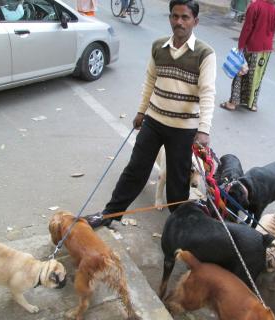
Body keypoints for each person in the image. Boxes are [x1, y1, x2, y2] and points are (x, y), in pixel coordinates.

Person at [85, 0, 216, 229]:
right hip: (154, 122)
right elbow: (150, 82)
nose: (179, 22)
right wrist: (140, 111)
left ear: (195, 21)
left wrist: (204, 129)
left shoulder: (205, 54)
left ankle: (179, 227)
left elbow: (207, 93)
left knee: (177, 182)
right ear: (169, 18)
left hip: (184, 130)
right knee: (135, 170)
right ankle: (110, 215)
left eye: (185, 17)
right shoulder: (158, 47)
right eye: (175, 16)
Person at [220, 0, 275, 112]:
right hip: (267, 48)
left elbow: (247, 28)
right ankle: (252, 104)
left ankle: (232, 103)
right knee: (257, 76)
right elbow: (273, 29)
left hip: (252, 46)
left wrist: (241, 45)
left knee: (240, 72)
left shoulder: (255, 6)